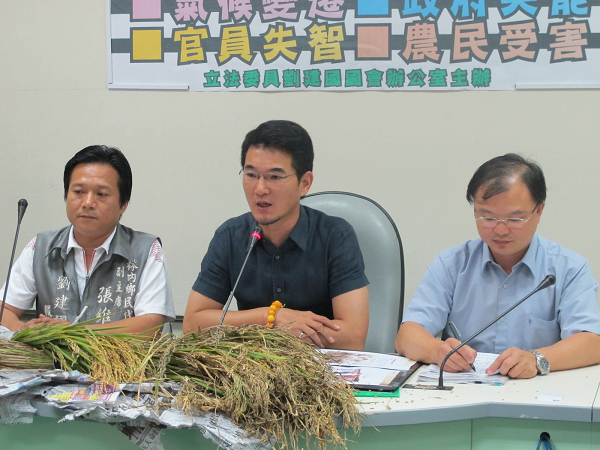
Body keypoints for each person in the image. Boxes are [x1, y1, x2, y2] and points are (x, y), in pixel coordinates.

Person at [396, 153, 600, 379]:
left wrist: (536, 358)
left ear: (539, 211)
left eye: (515, 219)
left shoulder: (568, 269)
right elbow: (408, 336)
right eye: (488, 217)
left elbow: (591, 342)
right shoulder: (452, 265)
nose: (500, 230)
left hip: (536, 394)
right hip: (462, 394)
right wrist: (438, 351)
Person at [183, 120, 369, 350]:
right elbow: (193, 324)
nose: (260, 188)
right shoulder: (230, 236)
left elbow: (352, 336)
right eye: (251, 174)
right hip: (252, 371)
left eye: (274, 177)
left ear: (305, 183)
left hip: (322, 371)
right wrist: (271, 318)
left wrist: (266, 330)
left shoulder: (335, 236)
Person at [0, 145, 175, 337]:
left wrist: (73, 333)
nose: (88, 203)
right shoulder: (41, 247)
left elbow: (150, 325)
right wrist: (21, 328)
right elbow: (3, 309)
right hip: (51, 366)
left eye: (101, 194)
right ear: (66, 195)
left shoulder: (146, 250)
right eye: (78, 192)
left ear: (123, 204)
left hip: (116, 365)